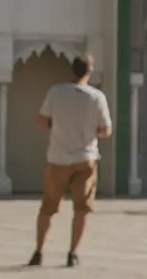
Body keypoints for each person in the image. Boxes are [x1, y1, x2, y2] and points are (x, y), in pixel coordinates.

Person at [31, 55, 112, 265]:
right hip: (85, 159)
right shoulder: (96, 97)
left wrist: (59, 129)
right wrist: (90, 133)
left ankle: (38, 251)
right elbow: (106, 130)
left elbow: (41, 121)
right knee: (81, 209)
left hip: (58, 157)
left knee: (48, 208)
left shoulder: (56, 93)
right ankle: (72, 253)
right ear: (89, 71)